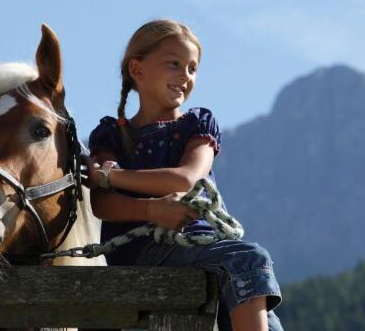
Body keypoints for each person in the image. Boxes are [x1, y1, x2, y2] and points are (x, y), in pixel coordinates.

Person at [85, 19, 283, 331]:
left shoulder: (196, 125)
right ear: (137, 70)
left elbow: (186, 179)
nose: (185, 76)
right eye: (174, 64)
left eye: (192, 68)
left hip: (202, 246)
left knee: (260, 306)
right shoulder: (110, 135)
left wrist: (112, 176)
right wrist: (151, 210)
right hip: (140, 252)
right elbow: (102, 204)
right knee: (249, 261)